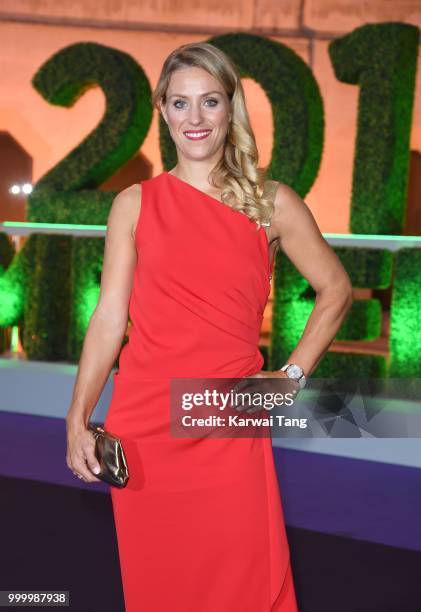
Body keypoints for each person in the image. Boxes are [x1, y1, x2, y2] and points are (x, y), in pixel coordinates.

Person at [65, 42, 353, 611]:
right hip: (145, 422)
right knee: (160, 583)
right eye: (180, 103)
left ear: (230, 110)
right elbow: (108, 319)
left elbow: (336, 290)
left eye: (210, 102)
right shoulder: (134, 203)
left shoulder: (271, 204)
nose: (194, 118)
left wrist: (290, 378)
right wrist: (78, 418)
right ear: (164, 112)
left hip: (226, 414)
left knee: (241, 578)